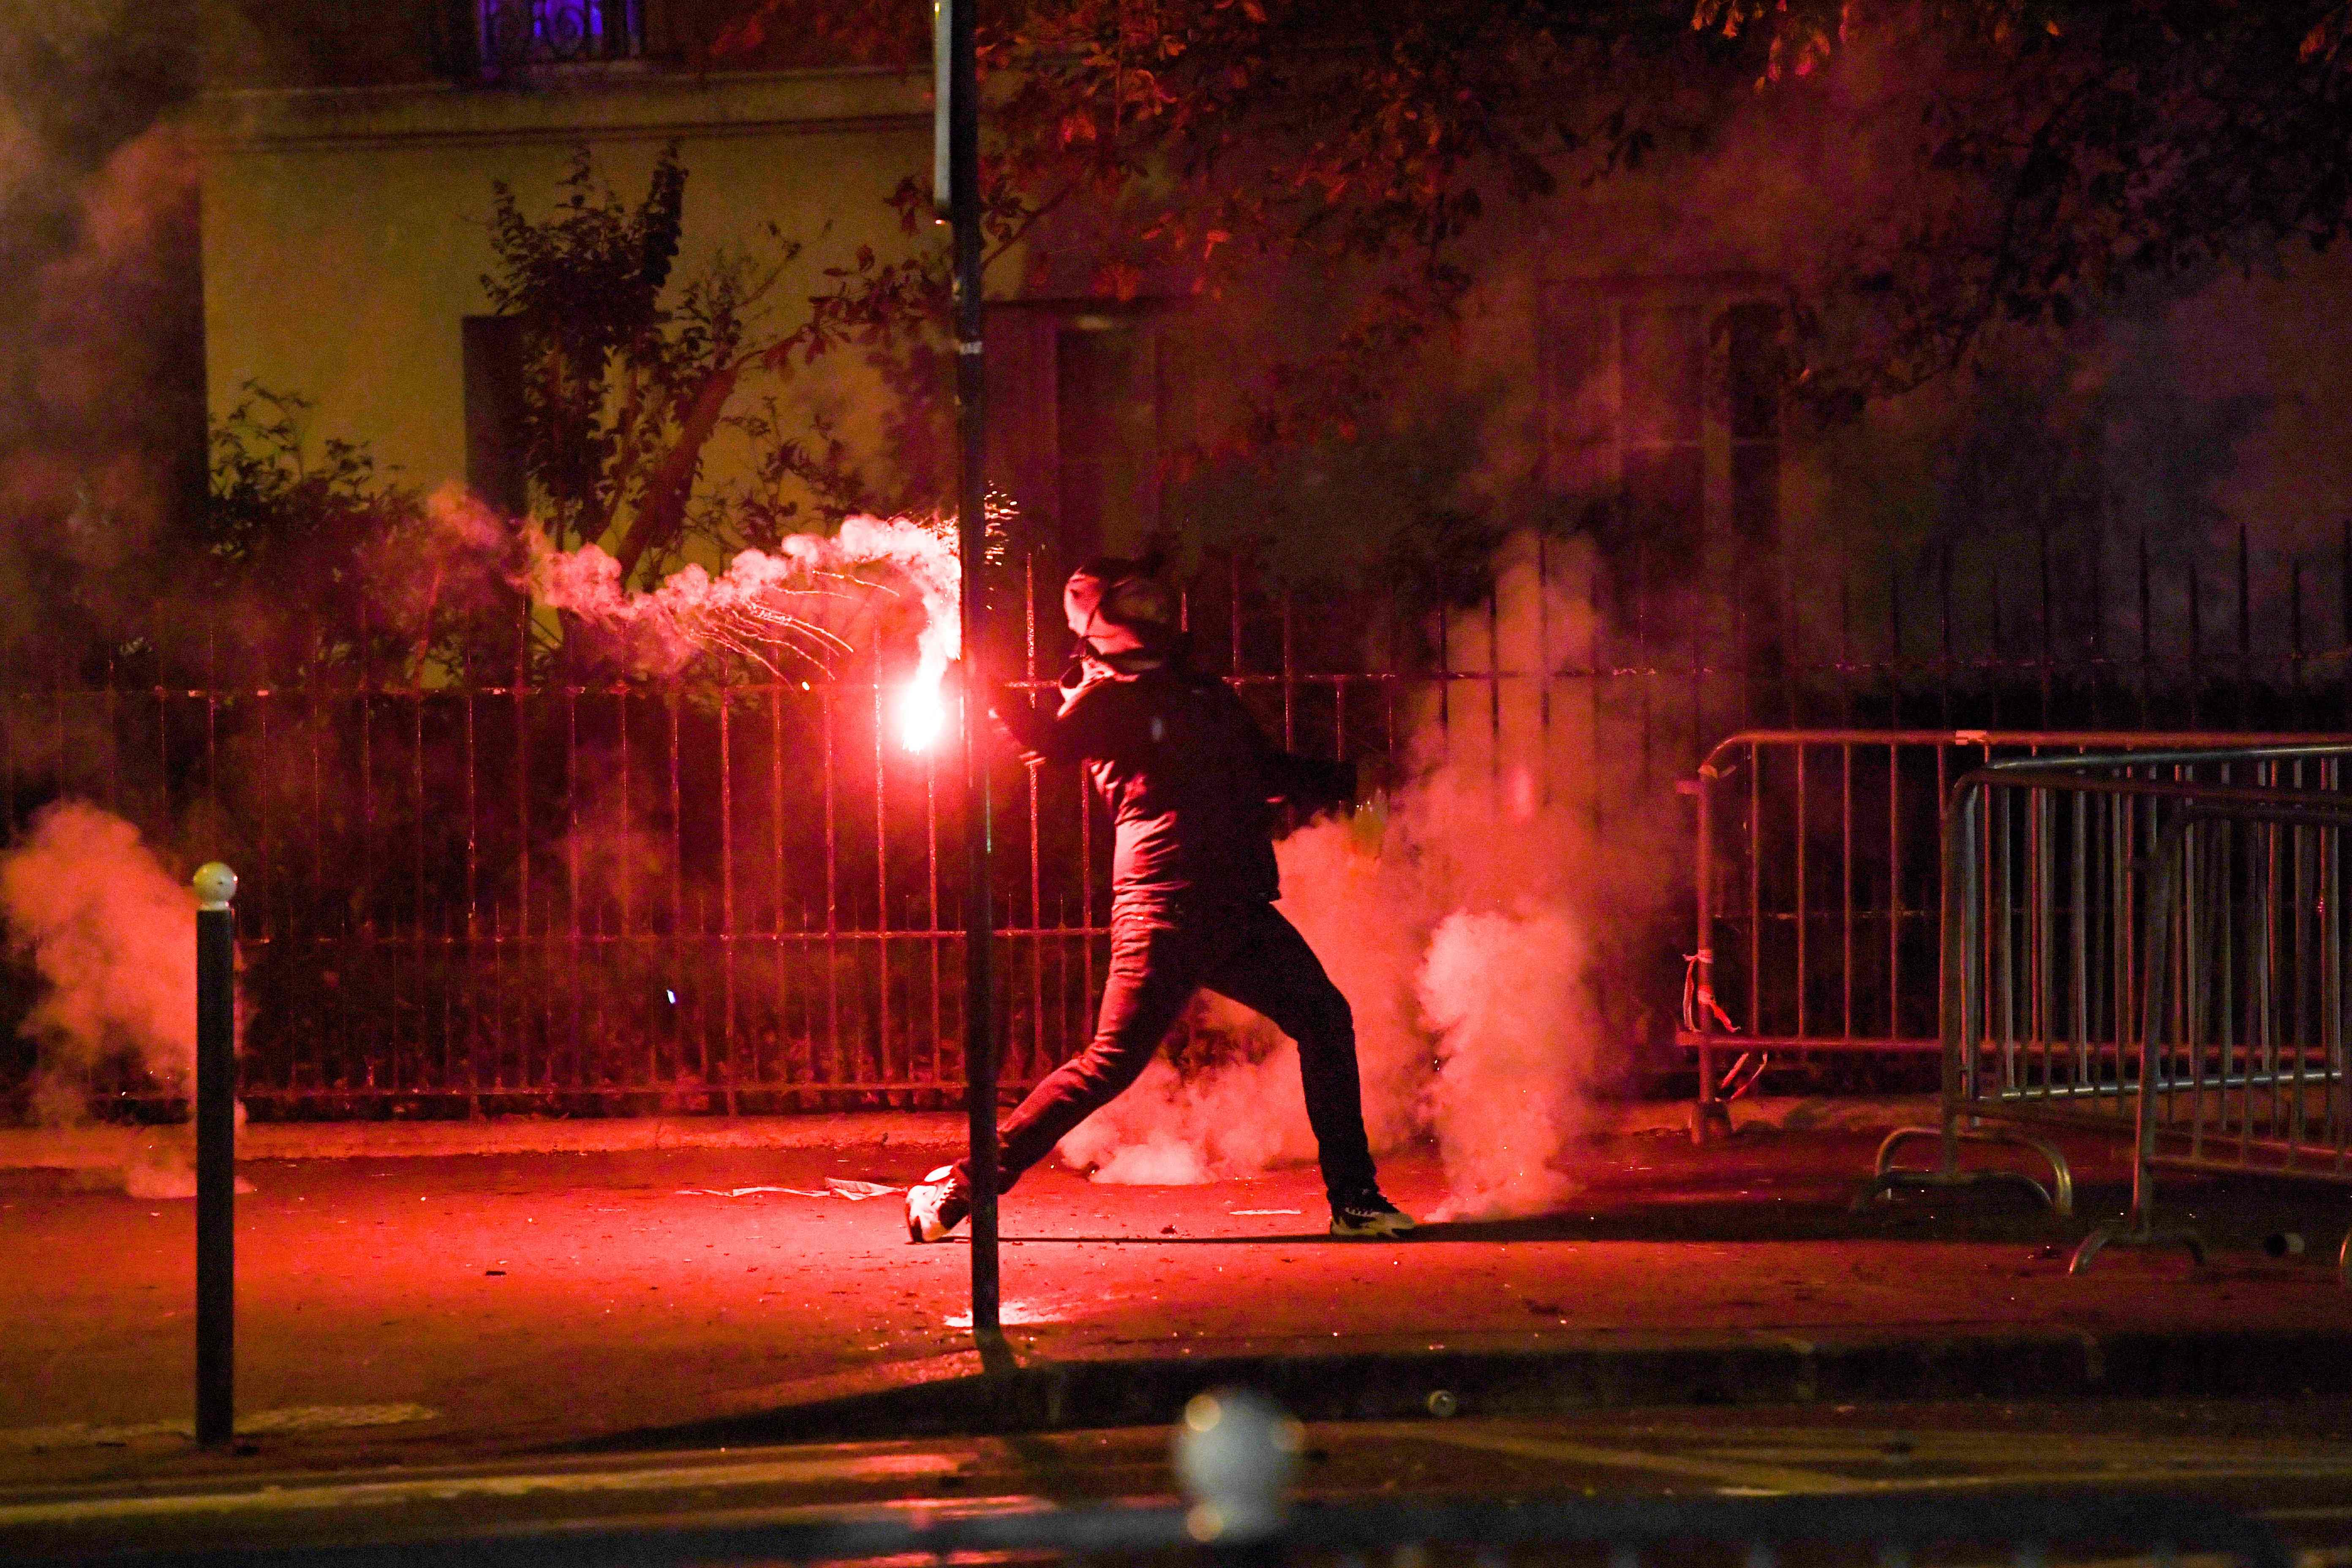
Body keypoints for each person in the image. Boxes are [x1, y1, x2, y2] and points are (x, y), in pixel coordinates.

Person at [906, 555, 1416, 1244]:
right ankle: (961, 1186)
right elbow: (1047, 739)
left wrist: (1351, 779)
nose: (1150, 613)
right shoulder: (1105, 699)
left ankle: (1356, 1202)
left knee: (1326, 1019)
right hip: (1163, 907)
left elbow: (1265, 773)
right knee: (1108, 1066)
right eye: (1132, 603)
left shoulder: (1203, 696)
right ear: (1099, 620)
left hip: (1235, 903)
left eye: (1153, 600)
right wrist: (979, 681)